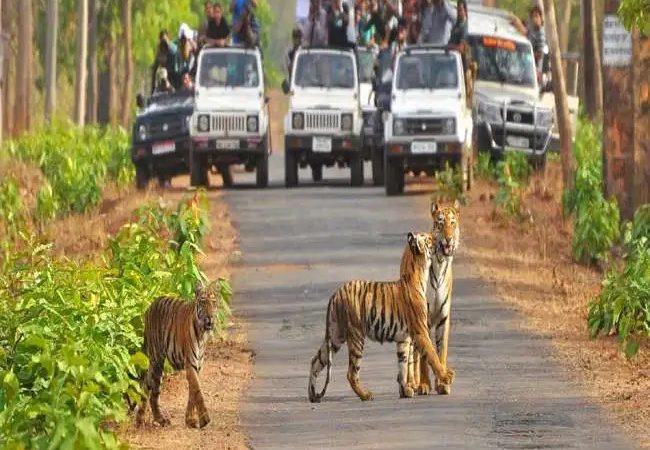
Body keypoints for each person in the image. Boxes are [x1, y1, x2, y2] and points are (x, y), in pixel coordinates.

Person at [511, 6, 546, 73]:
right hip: (524, 66)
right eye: (533, 17)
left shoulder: (541, 33)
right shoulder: (532, 29)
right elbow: (526, 31)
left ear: (541, 18)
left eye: (536, 16)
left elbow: (540, 54)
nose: (534, 19)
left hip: (533, 69)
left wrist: (527, 54)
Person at [151, 30, 178, 95]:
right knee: (162, 72)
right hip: (164, 75)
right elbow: (155, 67)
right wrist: (152, 87)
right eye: (162, 40)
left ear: (169, 39)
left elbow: (177, 68)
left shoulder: (173, 50)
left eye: (165, 40)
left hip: (175, 74)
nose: (164, 42)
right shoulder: (160, 49)